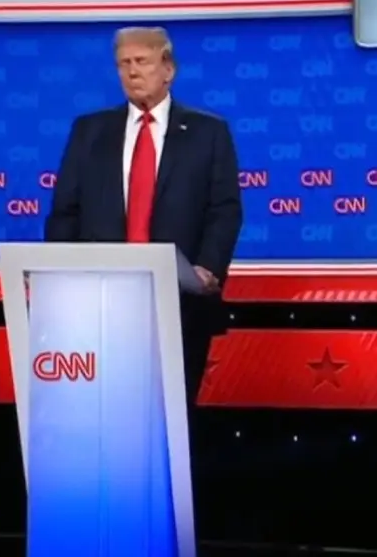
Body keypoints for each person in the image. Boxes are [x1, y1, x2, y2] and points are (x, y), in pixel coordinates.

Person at [45, 25, 243, 404]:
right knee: (104, 408)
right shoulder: (89, 131)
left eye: (142, 62)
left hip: (180, 301)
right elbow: (65, 212)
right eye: (123, 64)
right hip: (100, 302)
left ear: (168, 69)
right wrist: (59, 278)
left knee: (173, 412)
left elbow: (225, 209)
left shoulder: (209, 132)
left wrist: (208, 267)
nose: (131, 72)